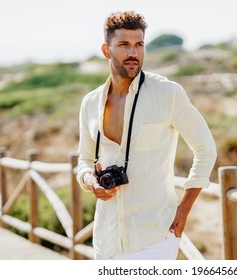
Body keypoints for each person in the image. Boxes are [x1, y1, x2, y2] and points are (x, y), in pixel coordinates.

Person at [76, 11, 217, 260]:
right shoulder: (90, 103)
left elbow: (205, 149)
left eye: (139, 44)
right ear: (106, 50)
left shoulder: (168, 93)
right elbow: (84, 161)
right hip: (107, 238)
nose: (133, 53)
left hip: (155, 236)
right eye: (124, 45)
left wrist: (184, 210)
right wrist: (91, 181)